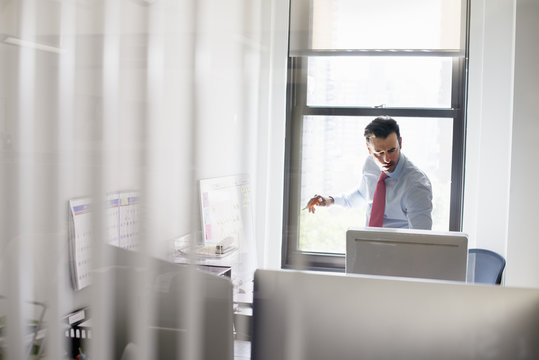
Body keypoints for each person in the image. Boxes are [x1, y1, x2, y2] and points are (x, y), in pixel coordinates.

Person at [305, 116, 433, 229]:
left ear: (400, 143)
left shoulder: (416, 186)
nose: (387, 159)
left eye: (392, 150)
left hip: (399, 252)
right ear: (369, 150)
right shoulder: (370, 164)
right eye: (380, 153)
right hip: (368, 246)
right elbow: (363, 195)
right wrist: (330, 201)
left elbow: (420, 241)